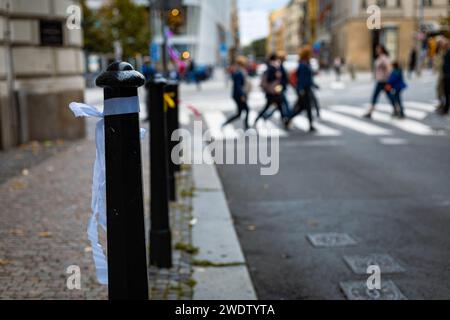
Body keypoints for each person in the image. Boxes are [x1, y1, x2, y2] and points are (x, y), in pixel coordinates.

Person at [286, 46, 315, 132]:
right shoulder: (303, 64)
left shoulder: (306, 63)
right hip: (303, 90)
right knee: (304, 107)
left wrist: (314, 84)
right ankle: (288, 119)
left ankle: (289, 119)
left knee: (304, 107)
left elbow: (308, 77)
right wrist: (301, 89)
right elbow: (302, 78)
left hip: (306, 88)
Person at [364, 45, 396, 119]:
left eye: (378, 49)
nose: (377, 50)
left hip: (384, 81)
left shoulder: (383, 58)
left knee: (379, 96)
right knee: (388, 96)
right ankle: (396, 109)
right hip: (381, 80)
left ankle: (370, 112)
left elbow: (389, 68)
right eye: (376, 49)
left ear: (382, 49)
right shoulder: (380, 57)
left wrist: (389, 78)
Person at [254, 54, 287, 126]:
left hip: (273, 91)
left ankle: (285, 122)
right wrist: (277, 75)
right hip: (273, 92)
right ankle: (258, 119)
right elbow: (273, 80)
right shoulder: (273, 68)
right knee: (270, 106)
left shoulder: (270, 67)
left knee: (279, 106)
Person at [222, 56, 251, 130]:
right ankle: (246, 126)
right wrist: (242, 96)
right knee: (246, 110)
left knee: (239, 113)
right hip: (238, 95)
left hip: (238, 95)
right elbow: (238, 86)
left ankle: (225, 123)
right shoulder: (238, 72)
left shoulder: (240, 71)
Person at [441, 42, 450, 115]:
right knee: (446, 93)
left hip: (448, 76)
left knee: (447, 93)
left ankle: (446, 109)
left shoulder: (448, 53)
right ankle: (445, 108)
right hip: (446, 75)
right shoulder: (446, 53)